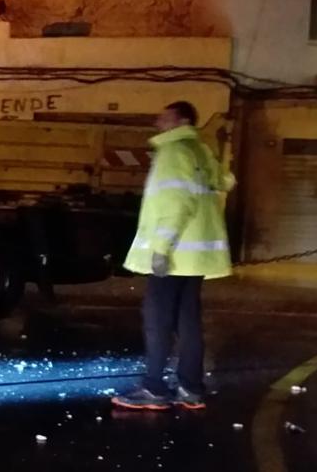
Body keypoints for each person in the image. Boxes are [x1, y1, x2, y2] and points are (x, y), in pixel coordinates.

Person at [111, 101, 234, 411]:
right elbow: (224, 181)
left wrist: (161, 249)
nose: (157, 121)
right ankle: (191, 388)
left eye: (164, 117)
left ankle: (154, 388)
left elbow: (177, 203)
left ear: (182, 120)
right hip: (193, 257)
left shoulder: (174, 152)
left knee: (158, 320)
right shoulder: (200, 151)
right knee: (188, 321)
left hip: (174, 254)